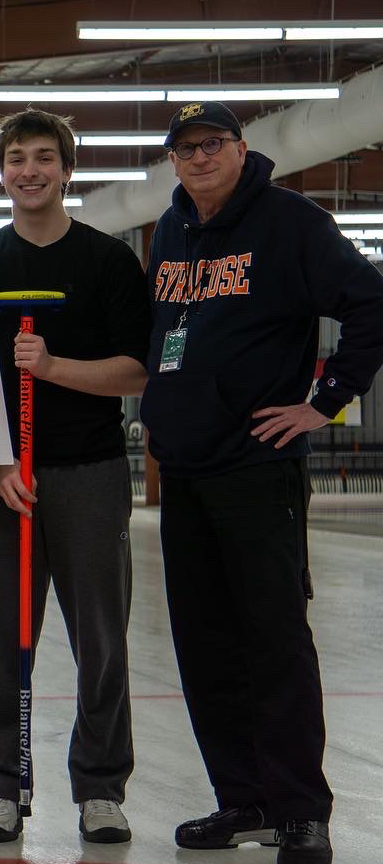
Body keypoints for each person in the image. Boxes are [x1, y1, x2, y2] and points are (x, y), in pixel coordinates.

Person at [141, 102, 383, 864]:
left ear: (242, 150)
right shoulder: (170, 233)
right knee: (205, 644)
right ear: (173, 161)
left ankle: (301, 811)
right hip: (183, 468)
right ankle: (242, 800)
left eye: (212, 143)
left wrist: (324, 403)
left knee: (274, 641)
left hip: (256, 466)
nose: (199, 157)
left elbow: (371, 303)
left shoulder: (291, 223)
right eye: (185, 148)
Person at [0, 108, 150, 846]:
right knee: (4, 639)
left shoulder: (107, 262)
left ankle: (100, 787)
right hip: (3, 479)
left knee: (101, 639)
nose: (29, 170)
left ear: (67, 169)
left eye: (43, 157)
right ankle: (2, 787)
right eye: (15, 159)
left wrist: (54, 367)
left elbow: (135, 370)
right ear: (1, 172)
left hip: (90, 474)